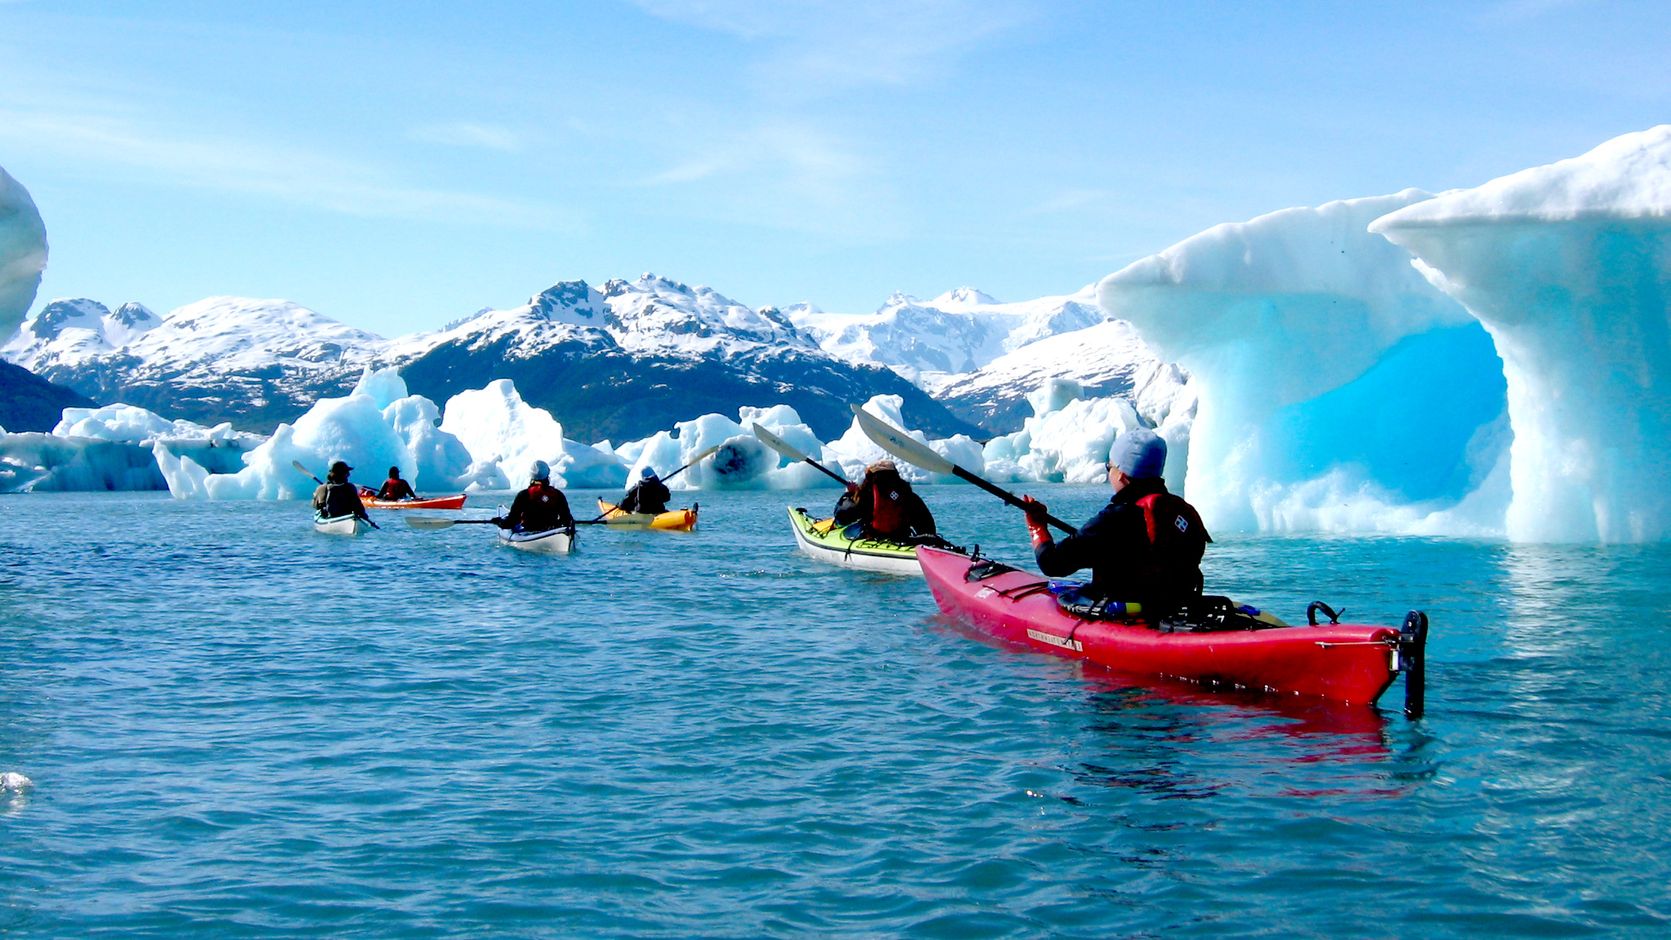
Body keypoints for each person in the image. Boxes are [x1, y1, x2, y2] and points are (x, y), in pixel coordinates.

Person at [1022, 428, 1210, 617]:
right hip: (1175, 606)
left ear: (1121, 474)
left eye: (1109, 466)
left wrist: (1036, 527)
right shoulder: (1181, 511)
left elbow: (1051, 563)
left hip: (1128, 613)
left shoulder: (1113, 519)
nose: (1109, 472)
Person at [832, 459, 937, 541]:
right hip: (903, 536)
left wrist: (850, 494)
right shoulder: (907, 494)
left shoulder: (866, 494)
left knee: (850, 530)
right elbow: (926, 525)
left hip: (875, 537)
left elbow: (842, 517)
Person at [495, 460, 574, 533]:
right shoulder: (558, 494)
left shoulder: (523, 495)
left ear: (531, 476)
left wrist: (500, 523)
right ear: (547, 475)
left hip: (529, 531)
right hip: (550, 530)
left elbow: (511, 522)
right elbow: (567, 520)